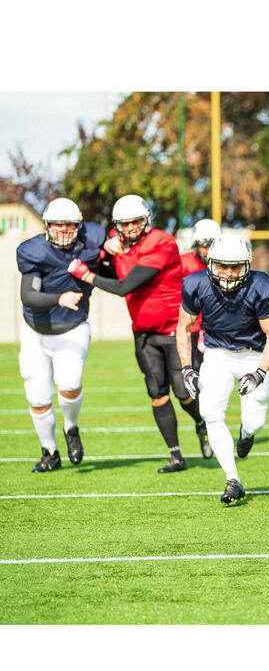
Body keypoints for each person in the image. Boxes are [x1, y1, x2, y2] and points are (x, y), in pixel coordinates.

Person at [67, 194, 211, 471]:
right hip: (143, 331)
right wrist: (105, 253)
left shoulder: (162, 242)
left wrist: (86, 275)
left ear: (145, 220)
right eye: (125, 223)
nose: (131, 227)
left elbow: (124, 287)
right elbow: (110, 267)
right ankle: (176, 455)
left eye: (135, 221)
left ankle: (202, 423)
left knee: (183, 391)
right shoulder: (118, 242)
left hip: (174, 328)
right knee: (157, 393)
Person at [177, 235, 269, 503]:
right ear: (211, 262)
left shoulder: (262, 286)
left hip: (253, 355)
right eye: (222, 265)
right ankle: (232, 479)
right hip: (217, 355)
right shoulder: (196, 283)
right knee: (210, 413)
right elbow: (183, 326)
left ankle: (246, 435)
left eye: (235, 266)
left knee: (255, 421)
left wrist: (260, 371)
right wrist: (187, 368)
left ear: (247, 265)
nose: (228, 272)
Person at [16, 198, 105, 471]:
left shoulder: (94, 237)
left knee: (69, 383)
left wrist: (112, 247)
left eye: (70, 225)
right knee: (38, 396)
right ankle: (50, 452)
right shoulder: (33, 251)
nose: (64, 230)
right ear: (47, 225)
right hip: (35, 330)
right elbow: (28, 295)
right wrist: (58, 298)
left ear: (79, 226)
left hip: (73, 326)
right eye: (58, 225)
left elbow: (112, 242)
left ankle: (71, 428)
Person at [180, 218, 221, 377]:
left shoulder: (227, 264)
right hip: (194, 327)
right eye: (204, 245)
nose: (207, 250)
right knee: (195, 372)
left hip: (218, 327)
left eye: (211, 245)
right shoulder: (184, 262)